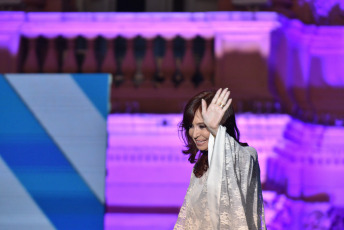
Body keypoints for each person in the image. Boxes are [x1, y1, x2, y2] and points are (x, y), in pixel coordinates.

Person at [174, 88, 266, 230]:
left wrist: (215, 130)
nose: (195, 134)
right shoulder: (200, 169)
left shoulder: (246, 155)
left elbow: (239, 159)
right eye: (191, 126)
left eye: (202, 126)